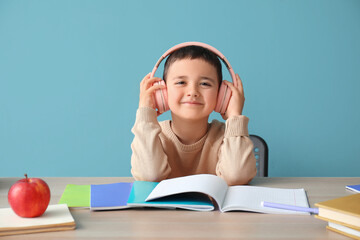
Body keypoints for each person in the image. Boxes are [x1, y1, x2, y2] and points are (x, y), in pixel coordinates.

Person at [130, 45, 256, 186]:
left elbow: (237, 177)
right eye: (181, 82)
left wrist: (234, 115)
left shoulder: (226, 139)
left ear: (222, 95)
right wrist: (146, 112)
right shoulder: (153, 136)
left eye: (204, 83)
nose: (192, 92)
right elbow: (149, 176)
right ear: (162, 92)